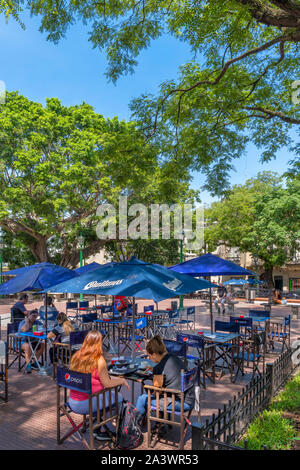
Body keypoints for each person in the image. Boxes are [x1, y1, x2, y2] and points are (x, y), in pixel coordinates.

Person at [69, 330, 129, 441]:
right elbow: (107, 383)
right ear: (98, 343)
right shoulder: (98, 360)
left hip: (72, 401)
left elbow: (99, 378)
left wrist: (117, 379)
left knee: (105, 397)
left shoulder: (76, 356)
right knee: (119, 397)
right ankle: (105, 429)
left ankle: (98, 425)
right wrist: (121, 381)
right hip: (87, 402)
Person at [135, 336, 195, 428]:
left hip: (181, 402)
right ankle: (159, 423)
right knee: (156, 394)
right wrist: (154, 369)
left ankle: (134, 425)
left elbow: (157, 391)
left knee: (142, 399)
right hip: (189, 398)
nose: (150, 359)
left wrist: (149, 388)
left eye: (150, 356)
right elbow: (167, 369)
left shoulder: (160, 367)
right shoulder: (172, 356)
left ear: (154, 354)